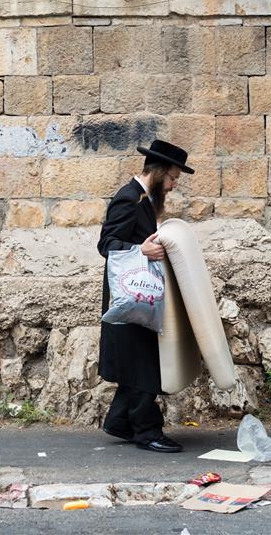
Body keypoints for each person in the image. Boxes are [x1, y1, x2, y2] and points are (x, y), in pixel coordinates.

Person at [97, 139, 193, 453]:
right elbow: (107, 244)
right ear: (159, 171)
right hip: (132, 296)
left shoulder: (143, 200)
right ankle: (147, 431)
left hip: (143, 294)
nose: (173, 185)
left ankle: (119, 422)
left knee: (138, 361)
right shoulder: (129, 199)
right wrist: (140, 249)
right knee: (145, 363)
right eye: (173, 178)